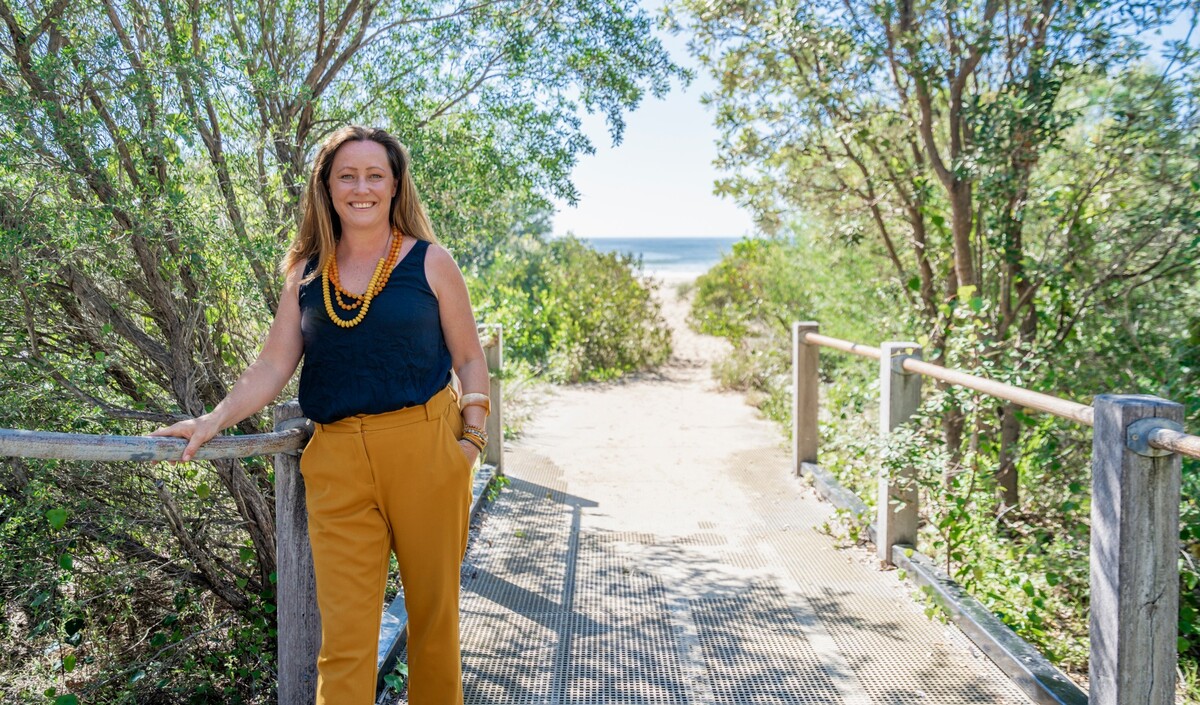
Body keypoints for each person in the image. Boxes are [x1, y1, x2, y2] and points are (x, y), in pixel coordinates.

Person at [150, 125, 489, 705]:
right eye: (347, 176)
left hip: (427, 451)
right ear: (327, 189)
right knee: (346, 641)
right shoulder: (306, 274)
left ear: (395, 184)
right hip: (336, 463)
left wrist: (471, 444)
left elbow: (469, 359)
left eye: (374, 175)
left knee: (434, 629)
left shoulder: (431, 262)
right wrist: (212, 420)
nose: (362, 188)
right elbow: (273, 365)